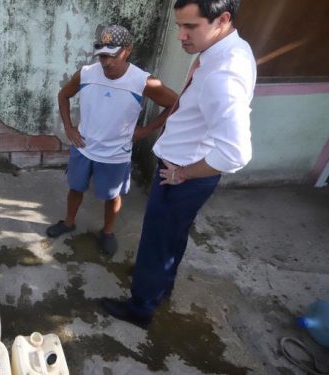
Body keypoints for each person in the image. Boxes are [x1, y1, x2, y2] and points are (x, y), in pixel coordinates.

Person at [102, 0, 256, 328]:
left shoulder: (224, 75)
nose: (181, 36)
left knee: (157, 241)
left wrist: (182, 173)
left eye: (190, 27)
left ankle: (141, 307)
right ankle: (160, 284)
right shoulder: (228, 49)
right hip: (188, 168)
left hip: (182, 173)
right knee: (172, 236)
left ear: (222, 19)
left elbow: (236, 154)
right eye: (179, 26)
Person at [46, 24, 178, 257]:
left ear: (128, 50)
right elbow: (63, 95)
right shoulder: (86, 73)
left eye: (113, 55)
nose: (106, 62)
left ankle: (107, 232)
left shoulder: (142, 81)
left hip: (116, 154)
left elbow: (174, 103)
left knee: (112, 195)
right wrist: (68, 127)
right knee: (75, 188)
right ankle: (68, 222)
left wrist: (145, 131)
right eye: (103, 55)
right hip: (84, 148)